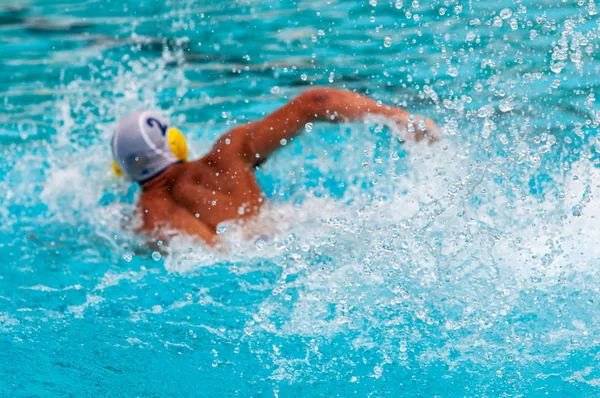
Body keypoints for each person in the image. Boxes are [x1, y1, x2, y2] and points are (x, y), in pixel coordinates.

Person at [111, 88, 440, 247]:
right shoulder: (225, 158)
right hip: (300, 233)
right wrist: (398, 118)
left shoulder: (143, 223)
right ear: (175, 142)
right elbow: (315, 103)